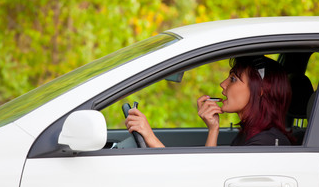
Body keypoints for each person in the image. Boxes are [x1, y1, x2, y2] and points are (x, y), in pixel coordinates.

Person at [125, 56, 292, 147]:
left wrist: (150, 137)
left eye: (233, 79)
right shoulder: (251, 134)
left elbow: (206, 185)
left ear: (261, 90)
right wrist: (213, 129)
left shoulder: (265, 144)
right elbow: (212, 174)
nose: (223, 84)